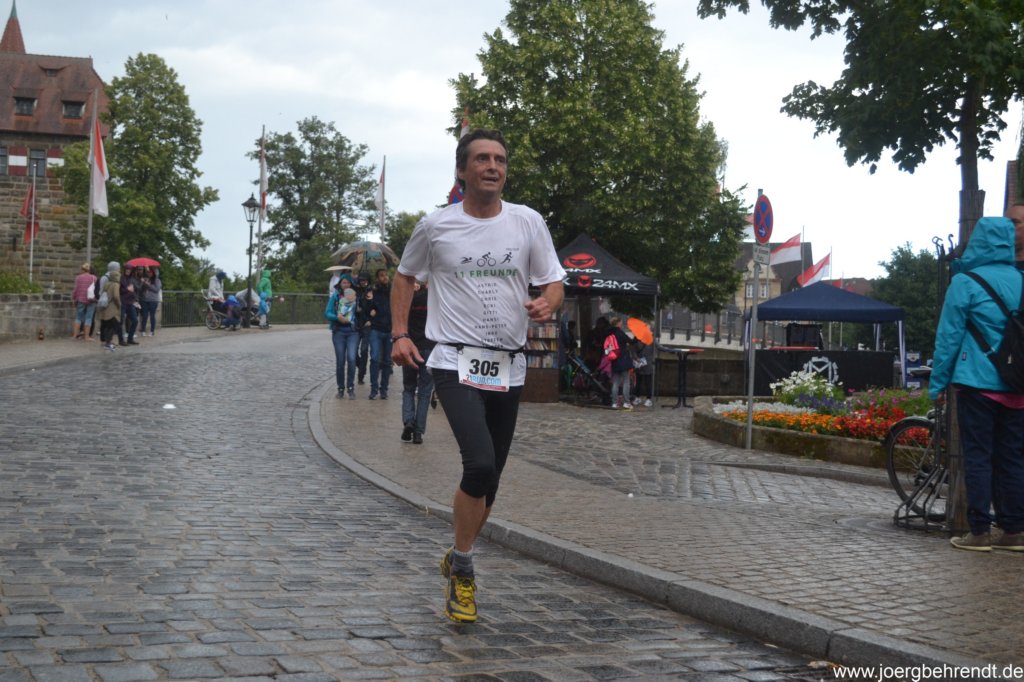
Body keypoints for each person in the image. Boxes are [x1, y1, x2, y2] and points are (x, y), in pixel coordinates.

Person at [391, 128, 565, 624]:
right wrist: (399, 333)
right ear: (462, 170)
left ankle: (458, 549)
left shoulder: (527, 222)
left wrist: (547, 303)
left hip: (508, 364)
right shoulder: (436, 227)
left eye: (500, 160)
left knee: (492, 481)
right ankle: (464, 572)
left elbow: (554, 281)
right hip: (453, 360)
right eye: (483, 158)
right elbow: (405, 276)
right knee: (480, 464)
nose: (493, 166)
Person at [929, 216, 1024, 552]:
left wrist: (937, 385)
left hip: (977, 382)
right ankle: (1014, 531)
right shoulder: (1021, 280)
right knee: (1012, 458)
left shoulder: (965, 282)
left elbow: (949, 337)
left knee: (978, 457)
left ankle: (979, 532)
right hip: (1017, 386)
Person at [401, 280, 435, 444]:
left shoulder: (409, 299)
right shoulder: (433, 300)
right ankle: (418, 432)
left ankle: (408, 421)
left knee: (408, 388)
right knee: (424, 392)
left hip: (410, 347)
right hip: (428, 348)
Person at [326, 283, 359, 399]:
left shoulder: (356, 296)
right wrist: (337, 317)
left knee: (352, 359)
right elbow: (327, 312)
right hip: (339, 332)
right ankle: (340, 388)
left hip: (353, 332)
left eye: (348, 282)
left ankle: (350, 387)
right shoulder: (336, 297)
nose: (346, 284)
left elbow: (364, 312)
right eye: (344, 282)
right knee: (340, 361)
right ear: (340, 283)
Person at [365, 268, 393, 400]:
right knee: (375, 358)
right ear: (377, 278)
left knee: (387, 361)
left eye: (386, 275)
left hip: (389, 329)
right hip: (376, 329)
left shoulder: (392, 290)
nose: (385, 277)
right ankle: (374, 388)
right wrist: (370, 304)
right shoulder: (372, 291)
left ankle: (384, 389)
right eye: (382, 275)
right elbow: (366, 308)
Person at [604, 317, 634, 409]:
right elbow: (631, 341)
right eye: (621, 322)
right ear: (617, 323)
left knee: (615, 382)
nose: (622, 324)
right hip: (623, 359)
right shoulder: (620, 333)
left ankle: (614, 403)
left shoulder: (609, 332)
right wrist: (637, 337)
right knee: (626, 381)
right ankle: (626, 402)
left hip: (614, 359)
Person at [98, 262, 125, 346]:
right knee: (113, 325)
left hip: (105, 305)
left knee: (107, 324)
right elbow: (116, 296)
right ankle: (109, 341)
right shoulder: (114, 283)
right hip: (111, 306)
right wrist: (119, 304)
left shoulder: (107, 282)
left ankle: (107, 341)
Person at [71, 262, 97, 341]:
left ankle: (75, 336)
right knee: (88, 318)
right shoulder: (94, 278)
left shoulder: (78, 278)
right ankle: (86, 337)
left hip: (81, 300)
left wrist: (74, 298)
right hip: (91, 300)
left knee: (78, 318)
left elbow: (76, 290)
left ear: (83, 270)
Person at [355, 271, 373, 385]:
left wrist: (371, 320)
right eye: (361, 280)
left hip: (367, 325)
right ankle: (361, 366)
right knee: (353, 350)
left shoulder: (372, 292)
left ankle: (361, 375)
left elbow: (376, 308)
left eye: (365, 280)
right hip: (356, 324)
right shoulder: (355, 291)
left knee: (364, 350)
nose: (363, 282)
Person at [629, 333, 655, 408]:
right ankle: (648, 399)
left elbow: (633, 350)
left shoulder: (637, 339)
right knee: (648, 382)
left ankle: (638, 397)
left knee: (639, 382)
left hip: (639, 363)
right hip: (647, 364)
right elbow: (659, 347)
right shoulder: (651, 339)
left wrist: (636, 358)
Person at [120, 265, 141, 345]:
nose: (128, 271)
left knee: (135, 320)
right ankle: (121, 340)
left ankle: (130, 339)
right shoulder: (121, 278)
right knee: (121, 321)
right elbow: (119, 290)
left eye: (129, 269)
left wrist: (135, 299)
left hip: (130, 302)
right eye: (127, 269)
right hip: (123, 302)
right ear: (124, 269)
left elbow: (136, 289)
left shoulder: (132, 279)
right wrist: (127, 289)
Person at [139, 267, 161, 336]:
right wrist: (142, 283)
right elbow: (140, 289)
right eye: (148, 272)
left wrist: (148, 285)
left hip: (153, 300)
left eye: (150, 272)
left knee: (152, 315)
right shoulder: (145, 279)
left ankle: (152, 331)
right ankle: (143, 330)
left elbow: (156, 289)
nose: (149, 274)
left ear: (153, 273)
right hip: (144, 300)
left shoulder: (157, 280)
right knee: (144, 315)